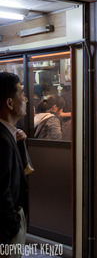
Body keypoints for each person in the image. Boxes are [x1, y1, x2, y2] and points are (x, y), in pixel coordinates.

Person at [0, 72, 29, 258]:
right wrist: (13, 225)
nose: (25, 98)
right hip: (6, 229)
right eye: (21, 93)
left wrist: (20, 144)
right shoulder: (1, 139)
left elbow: (21, 170)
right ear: (10, 103)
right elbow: (2, 189)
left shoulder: (10, 135)